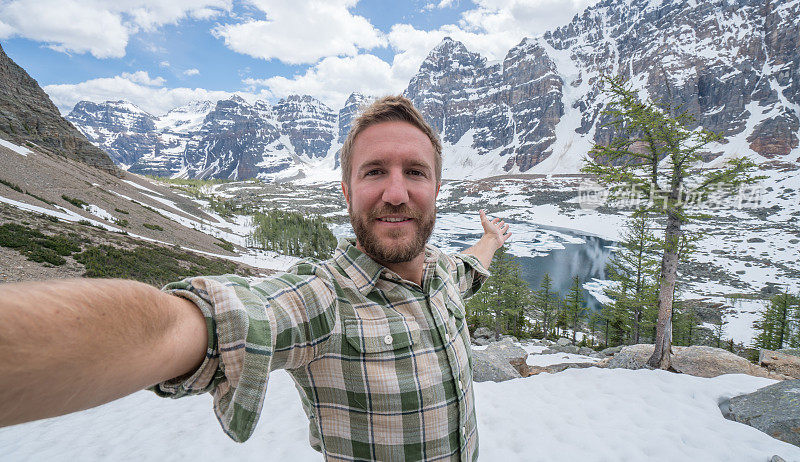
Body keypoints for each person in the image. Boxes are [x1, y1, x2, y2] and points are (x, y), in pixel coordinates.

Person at [0, 95, 511, 461]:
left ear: (437, 188)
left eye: (415, 172)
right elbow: (204, 324)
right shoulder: (324, 301)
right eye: (374, 171)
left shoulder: (442, 274)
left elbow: (469, 270)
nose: (396, 193)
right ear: (345, 191)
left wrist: (491, 238)